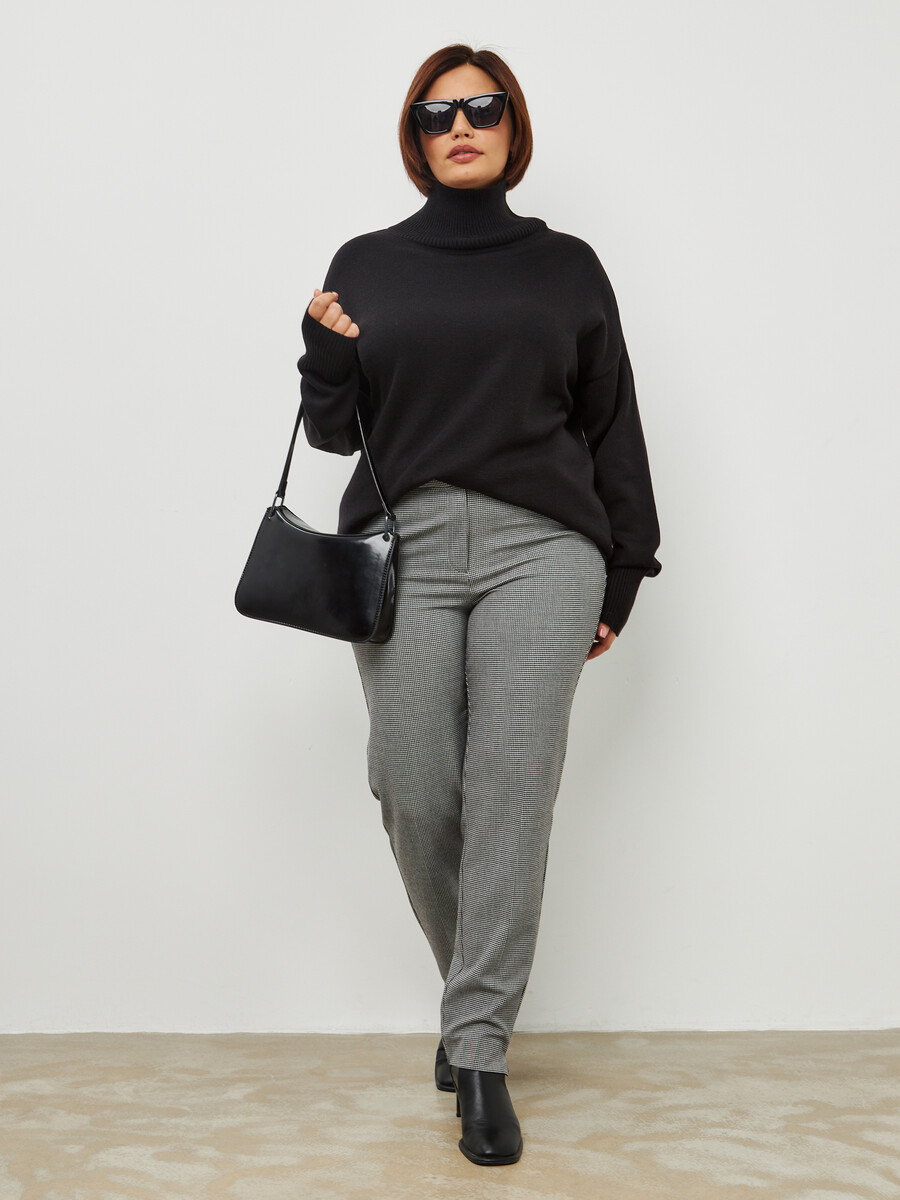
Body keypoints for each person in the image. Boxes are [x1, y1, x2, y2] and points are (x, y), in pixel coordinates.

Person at [296, 44, 662, 1167]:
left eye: (484, 107)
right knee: (413, 785)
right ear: (414, 137)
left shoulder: (567, 268)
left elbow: (611, 418)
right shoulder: (366, 263)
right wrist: (323, 361)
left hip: (543, 547)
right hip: (403, 547)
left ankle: (481, 1053)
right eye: (437, 112)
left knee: (510, 793)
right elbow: (334, 435)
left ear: (513, 126)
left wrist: (625, 566)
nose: (461, 124)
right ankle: (476, 999)